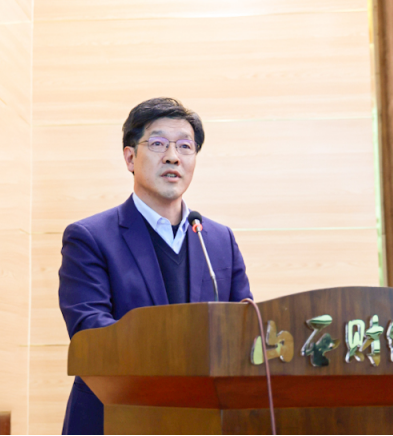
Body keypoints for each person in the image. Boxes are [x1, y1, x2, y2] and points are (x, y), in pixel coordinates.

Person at [59, 97, 252, 435]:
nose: (173, 156)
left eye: (185, 146)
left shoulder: (219, 240)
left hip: (205, 420)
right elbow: (91, 332)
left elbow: (244, 330)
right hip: (115, 416)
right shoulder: (90, 237)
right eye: (158, 143)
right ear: (130, 158)